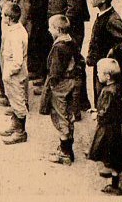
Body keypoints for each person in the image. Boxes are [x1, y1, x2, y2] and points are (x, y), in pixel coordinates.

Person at [49, 0, 91, 114]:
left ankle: (77, 107)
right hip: (64, 29)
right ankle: (78, 104)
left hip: (69, 30)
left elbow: (73, 9)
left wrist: (63, 32)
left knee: (73, 68)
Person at [40, 14, 80, 165]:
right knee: (68, 114)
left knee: (59, 115)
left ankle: (64, 153)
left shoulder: (58, 47)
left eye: (50, 28)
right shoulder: (71, 41)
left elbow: (55, 70)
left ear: (57, 29)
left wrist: (51, 85)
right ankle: (68, 148)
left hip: (61, 84)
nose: (49, 30)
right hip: (71, 82)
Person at [87, 58, 122, 196]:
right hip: (115, 127)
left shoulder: (108, 91)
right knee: (114, 154)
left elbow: (106, 111)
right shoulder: (116, 88)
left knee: (110, 153)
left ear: (108, 76)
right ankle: (114, 176)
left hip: (108, 129)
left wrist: (97, 115)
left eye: (99, 72)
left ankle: (115, 185)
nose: (97, 75)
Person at [85, 0, 122, 107]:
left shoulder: (112, 19)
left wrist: (113, 51)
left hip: (108, 70)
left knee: (105, 100)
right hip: (100, 66)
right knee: (100, 97)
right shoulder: (103, 15)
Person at [0, 1, 29, 145]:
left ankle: (20, 133)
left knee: (18, 102)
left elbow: (17, 61)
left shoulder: (16, 35)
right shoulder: (16, 29)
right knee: (14, 100)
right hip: (13, 72)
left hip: (14, 73)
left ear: (9, 18)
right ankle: (15, 125)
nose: (1, 16)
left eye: (3, 15)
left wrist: (8, 73)